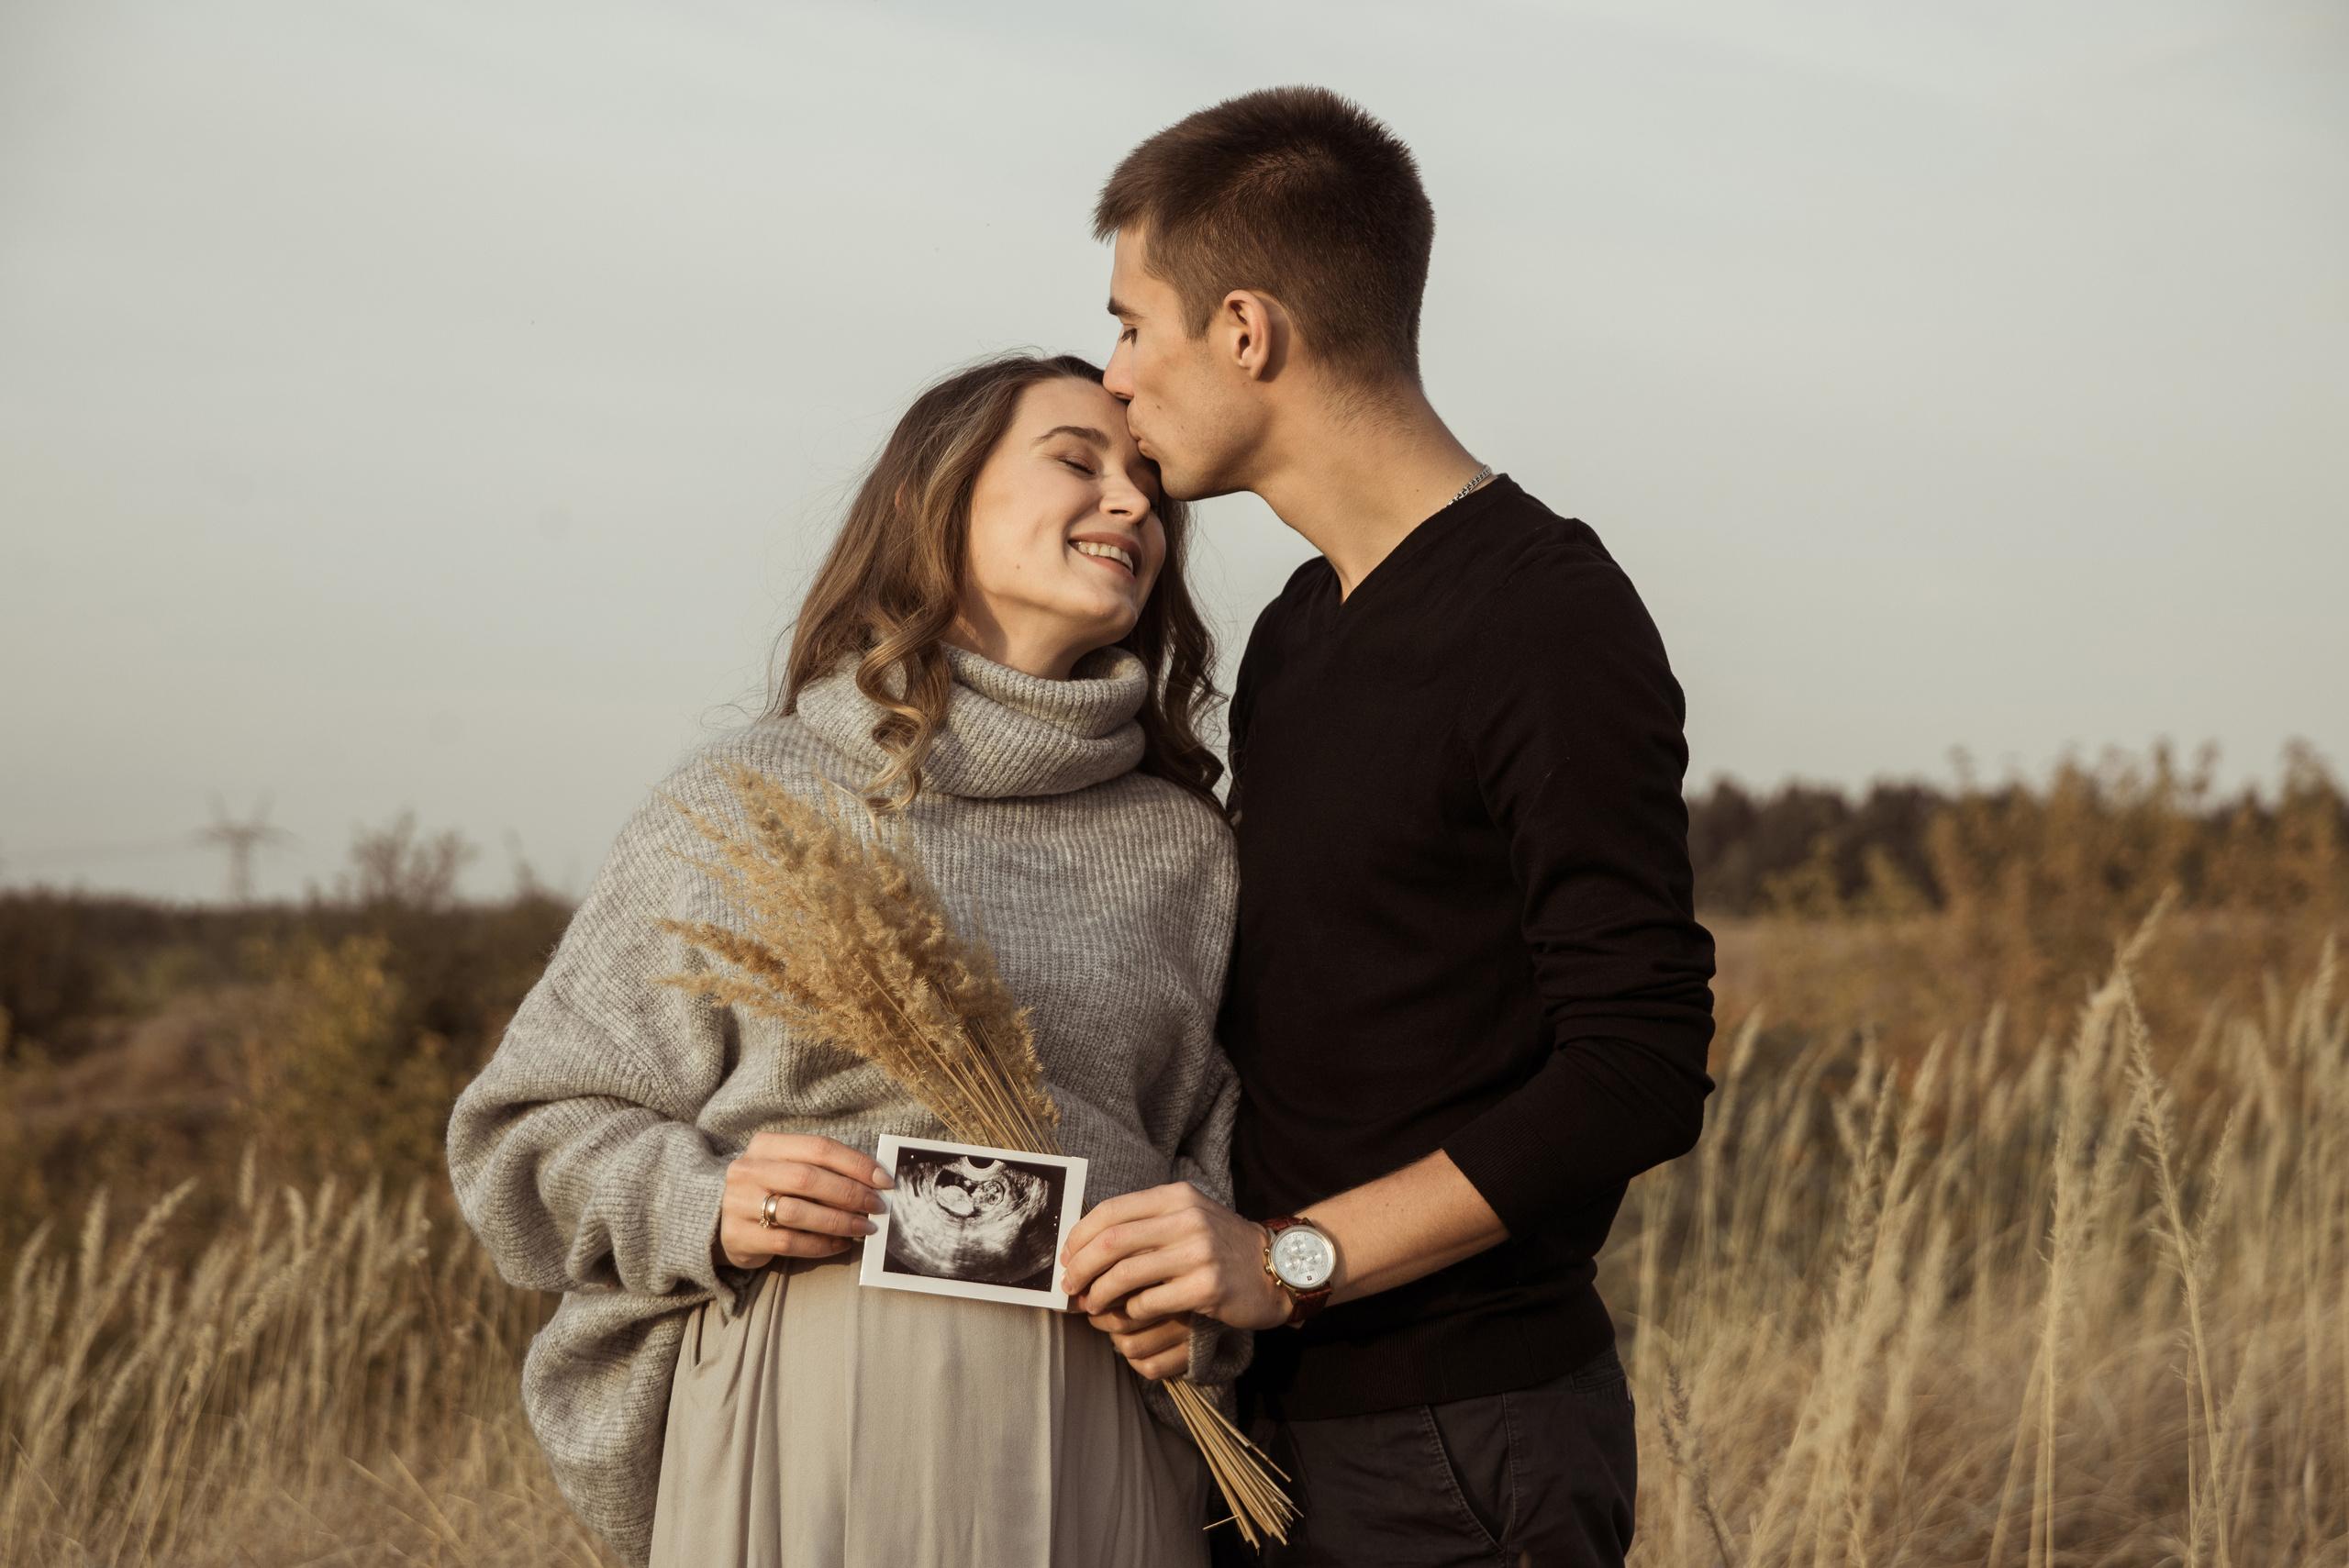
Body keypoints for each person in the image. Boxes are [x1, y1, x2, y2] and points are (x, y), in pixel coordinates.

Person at [1057, 88, 1719, 1566]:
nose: (1114, 382)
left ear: (1245, 330)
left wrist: (1287, 1261)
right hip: (1259, 1417)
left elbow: (1639, 1062)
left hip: (1461, 1437)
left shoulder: (1544, 615)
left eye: (1129, 325)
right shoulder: (1294, 635)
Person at [448, 352, 1250, 1568]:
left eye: (1148, 478)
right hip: (797, 1403)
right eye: (1079, 460)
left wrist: (1204, 1301)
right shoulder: (744, 802)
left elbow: (1226, 1150)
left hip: (1090, 1426)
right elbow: (525, 1129)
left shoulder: (1191, 849)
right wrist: (703, 1199)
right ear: (940, 497)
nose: (1135, 501)